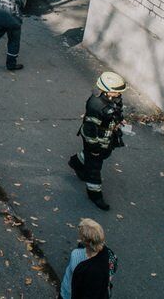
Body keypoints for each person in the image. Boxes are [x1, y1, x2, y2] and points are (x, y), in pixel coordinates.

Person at [68, 72, 128, 211]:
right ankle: (95, 194)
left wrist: (119, 119)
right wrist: (94, 147)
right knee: (94, 168)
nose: (119, 95)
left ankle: (76, 162)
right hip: (96, 141)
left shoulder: (114, 98)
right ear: (107, 91)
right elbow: (89, 130)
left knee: (101, 155)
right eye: (117, 92)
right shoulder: (96, 106)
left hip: (107, 138)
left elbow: (116, 110)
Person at [60, 218, 117, 299]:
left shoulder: (76, 255)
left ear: (85, 241)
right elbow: (109, 277)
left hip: (70, 293)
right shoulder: (110, 256)